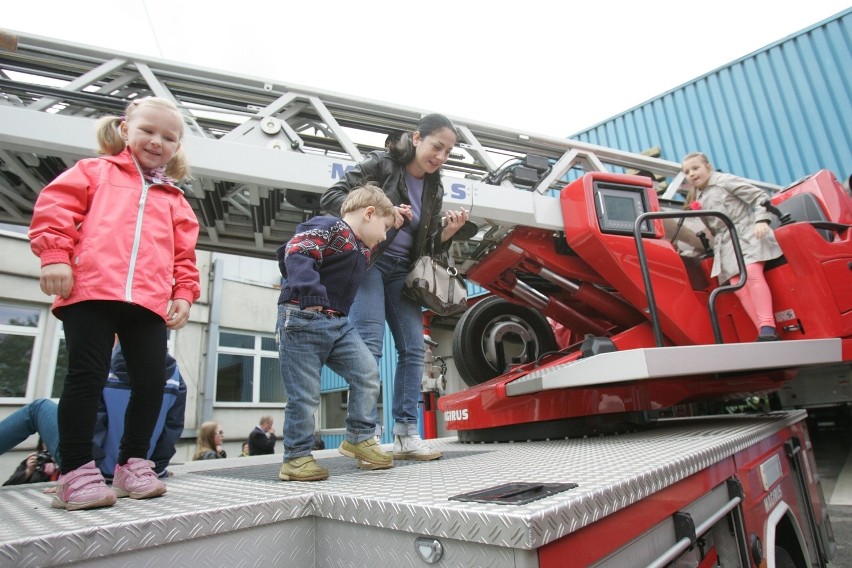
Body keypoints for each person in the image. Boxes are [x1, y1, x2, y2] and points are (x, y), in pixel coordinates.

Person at [28, 96, 201, 510]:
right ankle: (74, 472)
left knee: (152, 382)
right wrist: (55, 257)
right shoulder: (94, 171)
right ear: (125, 129)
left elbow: (184, 256)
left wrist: (183, 293)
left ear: (177, 147)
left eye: (169, 137)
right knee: (86, 377)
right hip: (90, 289)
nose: (157, 141)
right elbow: (55, 209)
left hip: (147, 300)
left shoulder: (174, 199)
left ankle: (133, 463)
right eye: (148, 130)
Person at [320, 114, 469, 461]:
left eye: (448, 152)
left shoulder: (435, 186)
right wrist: (381, 210)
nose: (441, 157)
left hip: (404, 272)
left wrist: (445, 234)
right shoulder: (381, 165)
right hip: (370, 262)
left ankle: (405, 433)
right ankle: (362, 433)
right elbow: (333, 198)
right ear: (416, 138)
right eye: (437, 146)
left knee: (415, 350)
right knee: (370, 346)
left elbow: (425, 244)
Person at [277, 183, 397, 481]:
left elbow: (375, 243)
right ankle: (296, 458)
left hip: (337, 324)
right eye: (384, 227)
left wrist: (396, 217)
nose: (384, 236)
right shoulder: (330, 226)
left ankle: (359, 437)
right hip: (304, 317)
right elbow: (296, 251)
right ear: (369, 213)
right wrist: (311, 294)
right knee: (304, 396)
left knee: (367, 372)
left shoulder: (360, 248)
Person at [0, 345, 186, 480]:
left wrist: (82, 474)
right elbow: (172, 429)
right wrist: (157, 471)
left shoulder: (100, 367)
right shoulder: (175, 377)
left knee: (38, 408)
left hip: (91, 469)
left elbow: (92, 423)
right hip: (138, 471)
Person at [681, 152, 783, 341]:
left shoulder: (724, 181)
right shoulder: (699, 197)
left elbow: (759, 196)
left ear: (708, 167)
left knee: (752, 273)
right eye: (687, 172)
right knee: (737, 285)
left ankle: (768, 326)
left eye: (696, 168)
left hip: (746, 233)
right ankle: (762, 330)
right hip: (726, 244)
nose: (692, 174)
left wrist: (761, 220)